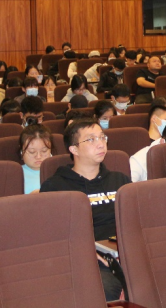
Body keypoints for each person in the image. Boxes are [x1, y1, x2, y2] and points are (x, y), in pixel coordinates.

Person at [40, 117, 130, 301]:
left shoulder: (120, 180)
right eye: (91, 139)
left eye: (102, 137)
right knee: (104, 288)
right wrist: (87, 253)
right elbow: (52, 236)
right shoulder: (55, 187)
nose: (101, 144)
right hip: (88, 258)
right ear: (73, 149)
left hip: (126, 251)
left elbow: (136, 221)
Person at [19, 124, 53, 194]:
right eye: (32, 152)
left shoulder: (59, 170)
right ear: (22, 152)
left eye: (44, 151)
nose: (38, 156)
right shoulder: (15, 174)